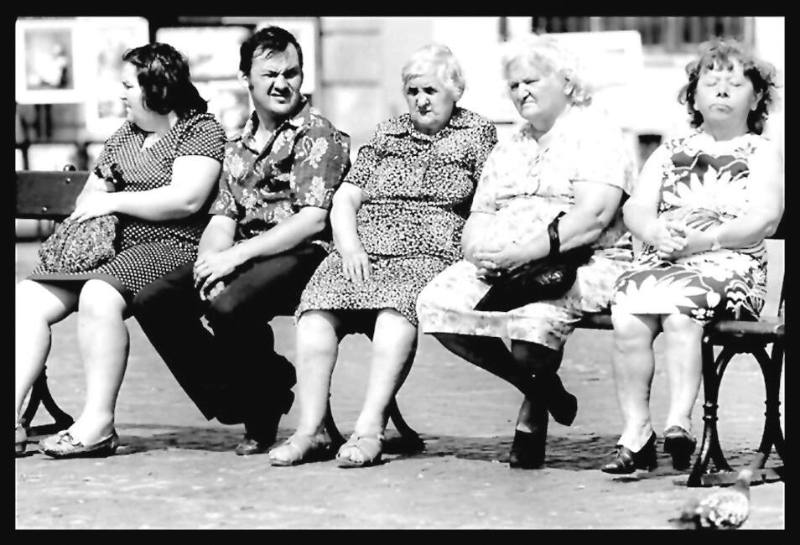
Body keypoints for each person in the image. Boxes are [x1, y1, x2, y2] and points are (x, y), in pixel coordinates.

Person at [267, 44, 497, 468]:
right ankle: (311, 429)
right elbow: (346, 197)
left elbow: (491, 198)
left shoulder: (477, 133)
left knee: (395, 314)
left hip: (427, 250)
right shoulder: (387, 132)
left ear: (455, 90)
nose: (421, 100)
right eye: (412, 91)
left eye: (430, 89)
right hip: (364, 246)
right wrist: (350, 244)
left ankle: (370, 428)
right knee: (316, 311)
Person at [415, 35, 636, 469]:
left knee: (531, 325)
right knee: (434, 303)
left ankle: (532, 417)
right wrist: (477, 248)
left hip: (579, 263)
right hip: (509, 266)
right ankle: (543, 390)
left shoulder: (596, 135)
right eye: (514, 86)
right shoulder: (511, 144)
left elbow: (592, 217)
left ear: (568, 83)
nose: (521, 93)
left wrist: (526, 252)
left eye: (531, 81)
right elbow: (481, 211)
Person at [133, 27, 351, 456]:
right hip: (249, 256)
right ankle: (260, 391)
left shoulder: (317, 135)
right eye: (270, 73)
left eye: (291, 73)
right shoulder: (236, 143)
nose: (282, 83)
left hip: (305, 254)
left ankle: (262, 400)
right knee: (154, 301)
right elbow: (222, 216)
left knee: (228, 306)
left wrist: (235, 257)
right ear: (245, 79)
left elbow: (311, 220)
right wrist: (212, 261)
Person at [15, 43, 226, 458]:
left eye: (129, 85)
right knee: (24, 300)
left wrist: (114, 200)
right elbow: (91, 195)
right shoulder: (124, 136)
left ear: (157, 87)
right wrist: (102, 195)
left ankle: (97, 424)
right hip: (111, 251)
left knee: (98, 295)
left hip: (172, 246)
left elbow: (186, 200)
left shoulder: (198, 130)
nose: (122, 94)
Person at [601, 38, 783, 474]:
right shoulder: (669, 151)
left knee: (681, 313)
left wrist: (707, 241)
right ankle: (636, 432)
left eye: (735, 83)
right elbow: (636, 208)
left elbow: (765, 219)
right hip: (667, 260)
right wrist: (655, 232)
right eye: (710, 81)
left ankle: (678, 422)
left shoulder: (761, 151)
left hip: (729, 263)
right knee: (628, 312)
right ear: (693, 97)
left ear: (756, 98)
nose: (721, 89)